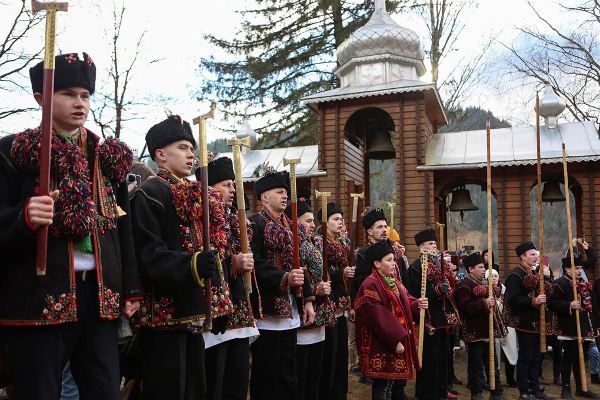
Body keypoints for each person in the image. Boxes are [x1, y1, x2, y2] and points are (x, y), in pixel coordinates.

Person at [0, 52, 142, 399]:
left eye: (85, 95)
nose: (79, 103)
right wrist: (23, 217)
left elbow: (122, 227)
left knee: (104, 391)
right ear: (41, 99)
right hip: (38, 296)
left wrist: (131, 289)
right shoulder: (11, 151)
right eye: (67, 94)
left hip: (100, 299)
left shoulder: (106, 156)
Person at [131, 115, 224, 399]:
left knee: (195, 386)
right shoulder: (150, 193)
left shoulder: (191, 193)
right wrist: (193, 264)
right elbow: (148, 255)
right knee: (168, 388)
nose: (190, 154)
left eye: (191, 148)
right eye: (182, 147)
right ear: (160, 154)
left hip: (192, 310)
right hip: (163, 315)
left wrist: (217, 303)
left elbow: (206, 252)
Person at [247, 168, 315, 400]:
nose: (285, 196)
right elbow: (255, 263)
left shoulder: (292, 225)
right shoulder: (254, 222)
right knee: (267, 373)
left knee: (288, 371)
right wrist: (283, 278)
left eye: (286, 192)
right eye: (279, 192)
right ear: (264, 197)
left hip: (291, 307)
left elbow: (301, 265)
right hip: (267, 308)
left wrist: (307, 300)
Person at [201, 156, 259, 400]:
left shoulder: (236, 219)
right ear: (209, 187)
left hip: (239, 308)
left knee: (237, 378)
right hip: (214, 310)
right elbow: (203, 258)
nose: (232, 190)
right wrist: (233, 263)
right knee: (214, 379)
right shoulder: (202, 216)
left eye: (233, 185)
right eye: (226, 184)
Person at [354, 239, 428, 400]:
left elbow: (406, 300)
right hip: (379, 341)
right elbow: (377, 316)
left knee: (390, 384)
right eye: (389, 260)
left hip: (392, 340)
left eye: (394, 259)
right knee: (382, 386)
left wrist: (418, 305)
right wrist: (395, 340)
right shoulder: (370, 284)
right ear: (377, 263)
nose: (394, 263)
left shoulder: (394, 281)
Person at [285, 198, 335, 400]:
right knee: (302, 374)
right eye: (307, 221)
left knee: (316, 372)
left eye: (313, 220)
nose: (313, 225)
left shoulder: (313, 243)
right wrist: (315, 289)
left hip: (320, 316)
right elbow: (296, 279)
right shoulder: (293, 244)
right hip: (303, 314)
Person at [407, 228, 460, 400]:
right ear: (421, 247)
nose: (434, 246)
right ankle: (427, 392)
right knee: (429, 356)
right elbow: (415, 294)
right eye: (430, 243)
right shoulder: (416, 267)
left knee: (443, 355)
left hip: (442, 316)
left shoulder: (438, 264)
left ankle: (441, 390)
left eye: (435, 243)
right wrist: (436, 290)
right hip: (428, 317)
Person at [503, 241, 554, 400]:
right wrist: (534, 301)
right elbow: (513, 299)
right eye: (532, 254)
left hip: (539, 321)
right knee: (525, 356)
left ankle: (535, 388)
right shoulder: (515, 275)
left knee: (537, 356)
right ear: (523, 257)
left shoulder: (536, 273)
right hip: (524, 322)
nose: (536, 257)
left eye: (536, 255)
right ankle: (524, 390)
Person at [454, 252, 508, 400]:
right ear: (470, 269)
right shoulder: (464, 286)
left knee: (492, 362)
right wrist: (484, 304)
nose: (484, 270)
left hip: (488, 330)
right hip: (474, 331)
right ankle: (476, 392)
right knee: (476, 365)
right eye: (480, 267)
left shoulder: (485, 283)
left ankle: (496, 392)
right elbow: (464, 307)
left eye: (484, 267)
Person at [548, 256, 600, 399]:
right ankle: (566, 389)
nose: (579, 271)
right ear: (567, 269)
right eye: (576, 268)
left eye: (580, 268)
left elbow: (594, 307)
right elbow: (551, 303)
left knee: (581, 358)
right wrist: (569, 305)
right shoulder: (559, 284)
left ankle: (581, 387)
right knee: (568, 358)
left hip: (585, 327)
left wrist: (596, 326)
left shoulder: (585, 284)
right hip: (568, 327)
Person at [317, 202, 353, 400]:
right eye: (336, 219)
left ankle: (340, 394)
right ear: (325, 222)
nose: (340, 222)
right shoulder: (319, 242)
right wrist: (341, 274)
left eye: (341, 219)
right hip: (328, 302)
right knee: (329, 354)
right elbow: (321, 272)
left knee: (341, 355)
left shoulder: (342, 243)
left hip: (342, 303)